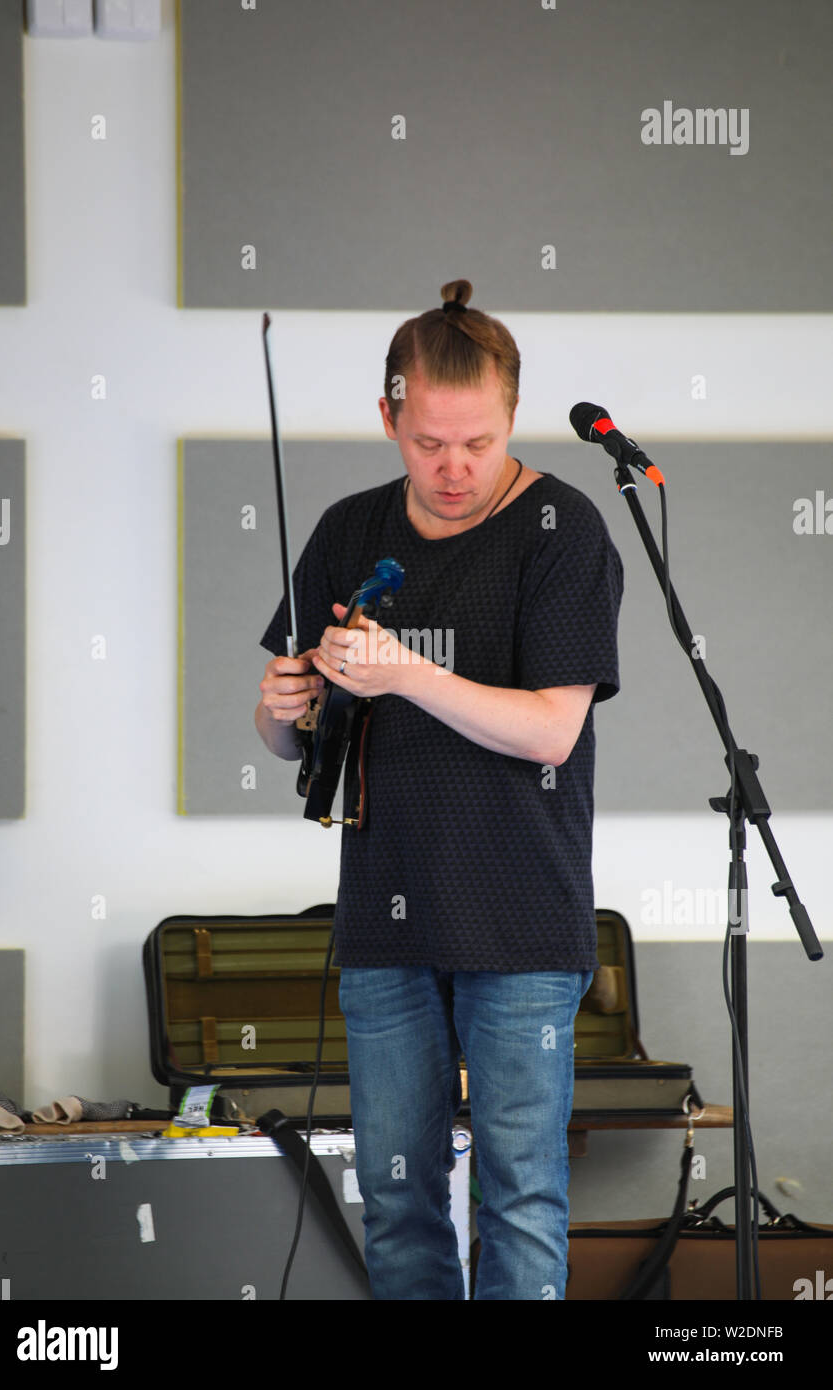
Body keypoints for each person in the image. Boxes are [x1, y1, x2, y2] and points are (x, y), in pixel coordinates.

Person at [255, 278, 624, 1300]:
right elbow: (288, 742)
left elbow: (552, 724)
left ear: (510, 417)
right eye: (428, 443)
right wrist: (281, 702)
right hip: (384, 918)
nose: (454, 469)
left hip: (518, 918)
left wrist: (406, 672)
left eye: (478, 441)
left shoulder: (562, 528)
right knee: (398, 1196)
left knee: (518, 1198)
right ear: (388, 418)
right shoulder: (345, 526)